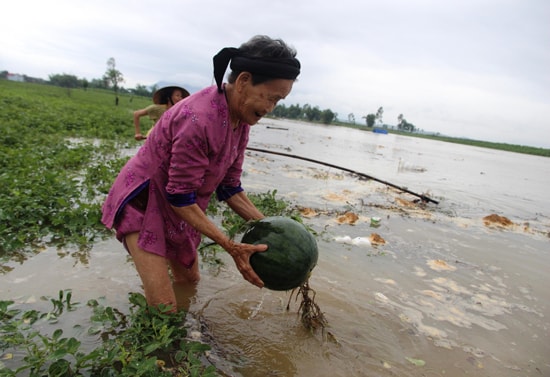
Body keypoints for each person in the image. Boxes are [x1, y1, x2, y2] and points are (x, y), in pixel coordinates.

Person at [101, 35, 301, 309]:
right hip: (143, 202)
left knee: (190, 280)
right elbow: (180, 196)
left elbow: (230, 188)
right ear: (243, 81)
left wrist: (277, 233)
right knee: (165, 308)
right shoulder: (197, 120)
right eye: (270, 97)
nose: (269, 108)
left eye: (278, 101)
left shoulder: (241, 120)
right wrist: (230, 245)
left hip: (179, 205)